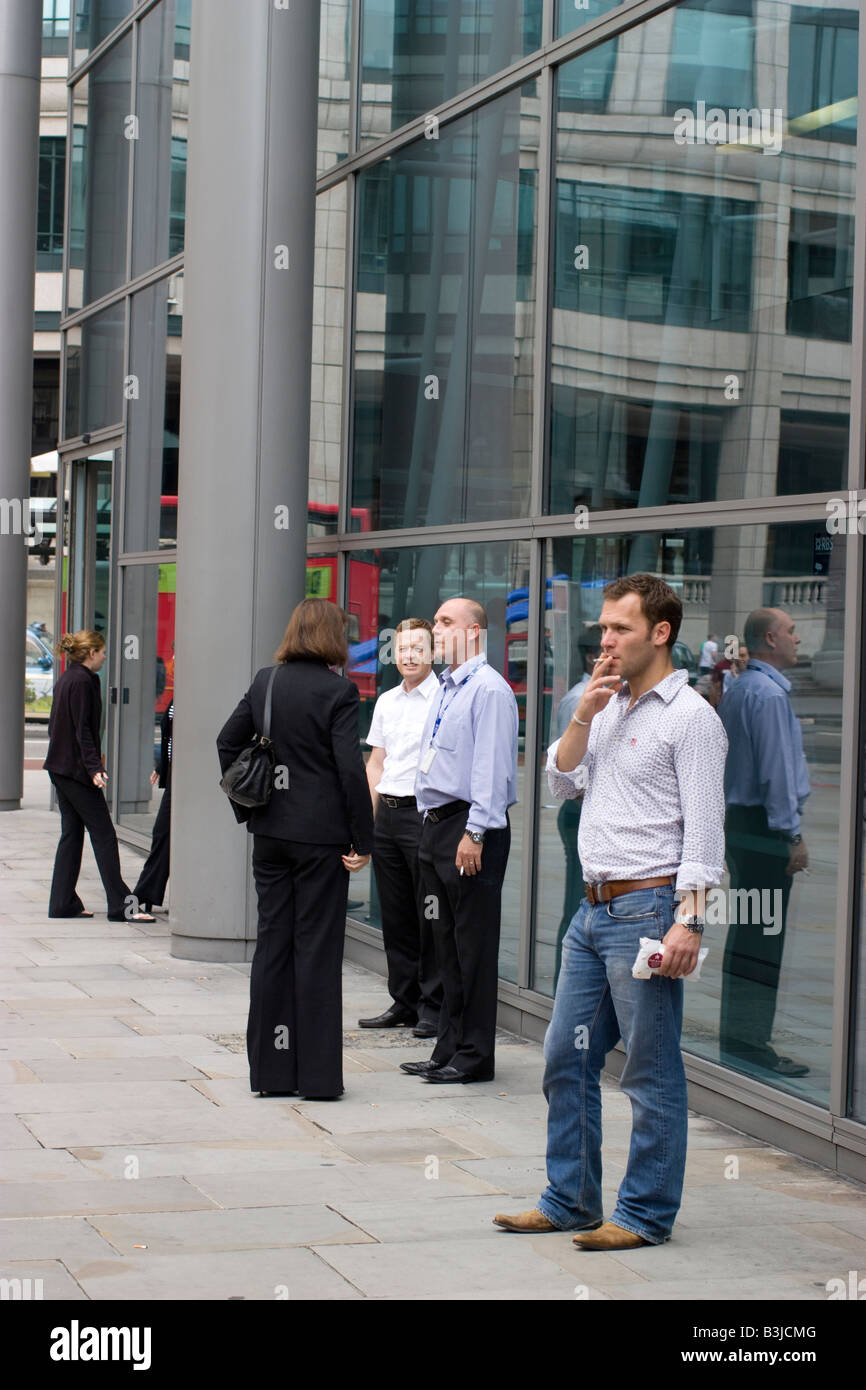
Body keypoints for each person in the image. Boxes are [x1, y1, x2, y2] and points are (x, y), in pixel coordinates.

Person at [494, 573, 727, 1249]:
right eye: (602, 628)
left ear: (661, 632)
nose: (605, 640)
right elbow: (560, 782)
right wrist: (582, 714)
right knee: (564, 1060)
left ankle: (646, 1215)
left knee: (650, 1072)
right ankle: (569, 1199)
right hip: (591, 914)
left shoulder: (690, 719)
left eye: (619, 628)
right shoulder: (607, 704)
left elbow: (705, 836)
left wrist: (689, 921)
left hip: (649, 910)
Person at [217, 598, 374, 1101]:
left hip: (271, 835)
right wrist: (362, 839)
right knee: (317, 951)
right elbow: (350, 770)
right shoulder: (339, 691)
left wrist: (252, 810)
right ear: (332, 638)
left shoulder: (266, 681)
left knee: (273, 945)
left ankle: (271, 1073)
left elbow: (227, 742)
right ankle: (318, 1078)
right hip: (321, 839)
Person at [400, 597, 518, 1085]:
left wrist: (475, 832)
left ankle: (474, 1055)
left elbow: (492, 769)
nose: (436, 628)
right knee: (444, 944)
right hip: (438, 825)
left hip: (471, 828)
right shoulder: (449, 687)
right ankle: (447, 1046)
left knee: (472, 947)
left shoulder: (489, 690)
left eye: (445, 622)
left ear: (472, 631)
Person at [717, 609, 810, 1078]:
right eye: (792, 631)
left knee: (750, 929)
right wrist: (791, 834)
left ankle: (741, 1035)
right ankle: (750, 1042)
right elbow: (777, 775)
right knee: (762, 936)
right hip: (761, 827)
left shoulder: (742, 689)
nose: (798, 638)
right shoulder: (769, 695)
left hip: (742, 822)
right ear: (772, 638)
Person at [358, 618, 443, 1037]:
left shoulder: (444, 698)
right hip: (387, 816)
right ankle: (404, 1000)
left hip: (424, 816)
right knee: (395, 915)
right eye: (402, 648)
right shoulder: (387, 701)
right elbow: (376, 763)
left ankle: (433, 1005)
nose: (408, 656)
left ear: (433, 653)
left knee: (429, 913)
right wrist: (365, 823)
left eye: (417, 648)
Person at [44, 630, 155, 924]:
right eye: (103, 651)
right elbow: (82, 730)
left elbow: (56, 727)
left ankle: (62, 903)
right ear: (91, 653)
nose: (105, 656)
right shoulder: (82, 681)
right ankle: (122, 906)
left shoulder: (69, 678)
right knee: (104, 835)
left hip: (61, 768)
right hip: (76, 771)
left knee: (72, 835)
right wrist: (94, 768)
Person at [553, 624, 603, 989]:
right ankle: (564, 983)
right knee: (577, 901)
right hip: (580, 809)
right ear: (592, 657)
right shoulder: (581, 698)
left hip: (588, 809)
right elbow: (569, 774)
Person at [132, 699, 173, 915]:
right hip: (176, 775)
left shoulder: (193, 693)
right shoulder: (181, 694)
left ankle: (145, 894)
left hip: (188, 778)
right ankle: (146, 894)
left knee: (164, 834)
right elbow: (171, 738)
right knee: (163, 834)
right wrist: (162, 767)